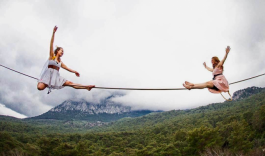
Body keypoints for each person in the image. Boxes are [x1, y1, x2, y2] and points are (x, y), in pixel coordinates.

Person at [37, 26, 95, 93]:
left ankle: (87, 87)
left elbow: (67, 68)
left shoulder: (60, 62)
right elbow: (51, 43)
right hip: (47, 76)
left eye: (63, 51)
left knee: (70, 83)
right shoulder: (51, 56)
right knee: (39, 88)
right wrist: (53, 33)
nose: (62, 52)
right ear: (57, 51)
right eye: (61, 50)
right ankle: (46, 83)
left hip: (56, 78)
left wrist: (75, 71)